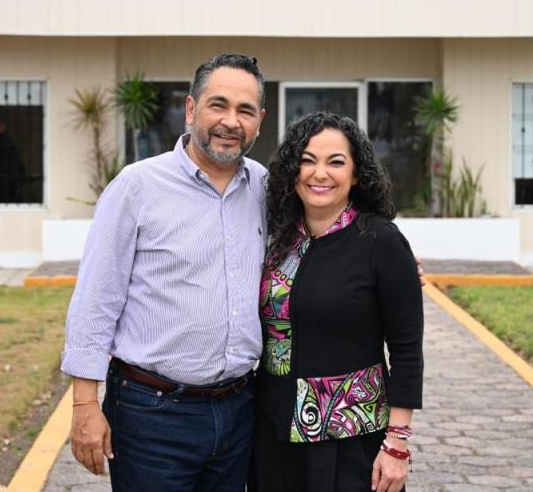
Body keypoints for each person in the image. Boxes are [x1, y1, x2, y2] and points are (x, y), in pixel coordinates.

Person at [62, 54, 267, 492]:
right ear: (191, 110)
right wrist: (84, 405)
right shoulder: (137, 188)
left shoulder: (266, 189)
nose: (231, 121)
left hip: (238, 412)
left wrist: (385, 261)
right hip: (150, 414)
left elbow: (319, 237)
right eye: (219, 105)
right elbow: (97, 300)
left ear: (259, 121)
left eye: (245, 111)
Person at [251, 112, 424, 492]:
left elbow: (407, 351)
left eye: (336, 162)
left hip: (348, 440)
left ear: (357, 174)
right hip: (272, 436)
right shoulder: (278, 242)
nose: (319, 173)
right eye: (307, 160)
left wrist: (397, 445)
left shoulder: (381, 242)